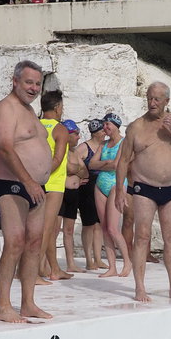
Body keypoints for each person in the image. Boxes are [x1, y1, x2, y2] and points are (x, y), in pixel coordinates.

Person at [115, 82, 171, 302]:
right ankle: (139, 287)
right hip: (144, 188)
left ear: (166, 101)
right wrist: (119, 190)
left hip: (170, 188)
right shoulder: (136, 126)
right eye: (149, 98)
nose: (152, 103)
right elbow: (123, 161)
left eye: (157, 99)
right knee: (142, 236)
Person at [0, 61, 53, 323]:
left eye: (37, 84)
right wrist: (28, 180)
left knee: (34, 244)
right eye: (29, 82)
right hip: (14, 185)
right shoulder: (6, 108)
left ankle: (28, 303)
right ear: (15, 81)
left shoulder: (29, 111)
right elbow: (4, 147)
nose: (34, 88)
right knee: (15, 243)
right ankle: (4, 305)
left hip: (36, 187)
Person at [38, 91, 74, 282]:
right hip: (53, 183)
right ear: (57, 107)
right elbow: (58, 159)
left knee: (48, 229)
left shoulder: (36, 125)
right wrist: (44, 175)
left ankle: (54, 268)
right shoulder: (60, 129)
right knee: (46, 229)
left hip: (36, 180)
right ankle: (34, 271)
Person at [93, 113, 132, 278]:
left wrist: (103, 165)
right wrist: (106, 165)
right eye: (104, 125)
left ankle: (128, 262)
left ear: (116, 126)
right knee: (104, 228)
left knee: (112, 228)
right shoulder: (103, 144)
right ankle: (112, 267)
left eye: (108, 124)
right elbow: (90, 164)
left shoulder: (124, 143)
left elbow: (117, 165)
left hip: (117, 185)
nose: (105, 128)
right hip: (100, 185)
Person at [75, 118, 107, 270]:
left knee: (99, 224)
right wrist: (77, 177)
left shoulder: (105, 147)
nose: (104, 133)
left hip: (100, 187)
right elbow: (72, 163)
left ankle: (98, 258)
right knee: (88, 224)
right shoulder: (84, 147)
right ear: (95, 133)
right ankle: (89, 259)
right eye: (102, 131)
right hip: (87, 189)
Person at [59, 120, 88, 272]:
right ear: (67, 135)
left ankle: (71, 263)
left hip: (73, 194)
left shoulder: (74, 153)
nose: (78, 137)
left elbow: (85, 172)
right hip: (61, 193)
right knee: (52, 230)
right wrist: (77, 169)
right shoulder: (60, 150)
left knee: (69, 231)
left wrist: (76, 170)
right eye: (76, 134)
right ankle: (47, 264)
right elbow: (70, 169)